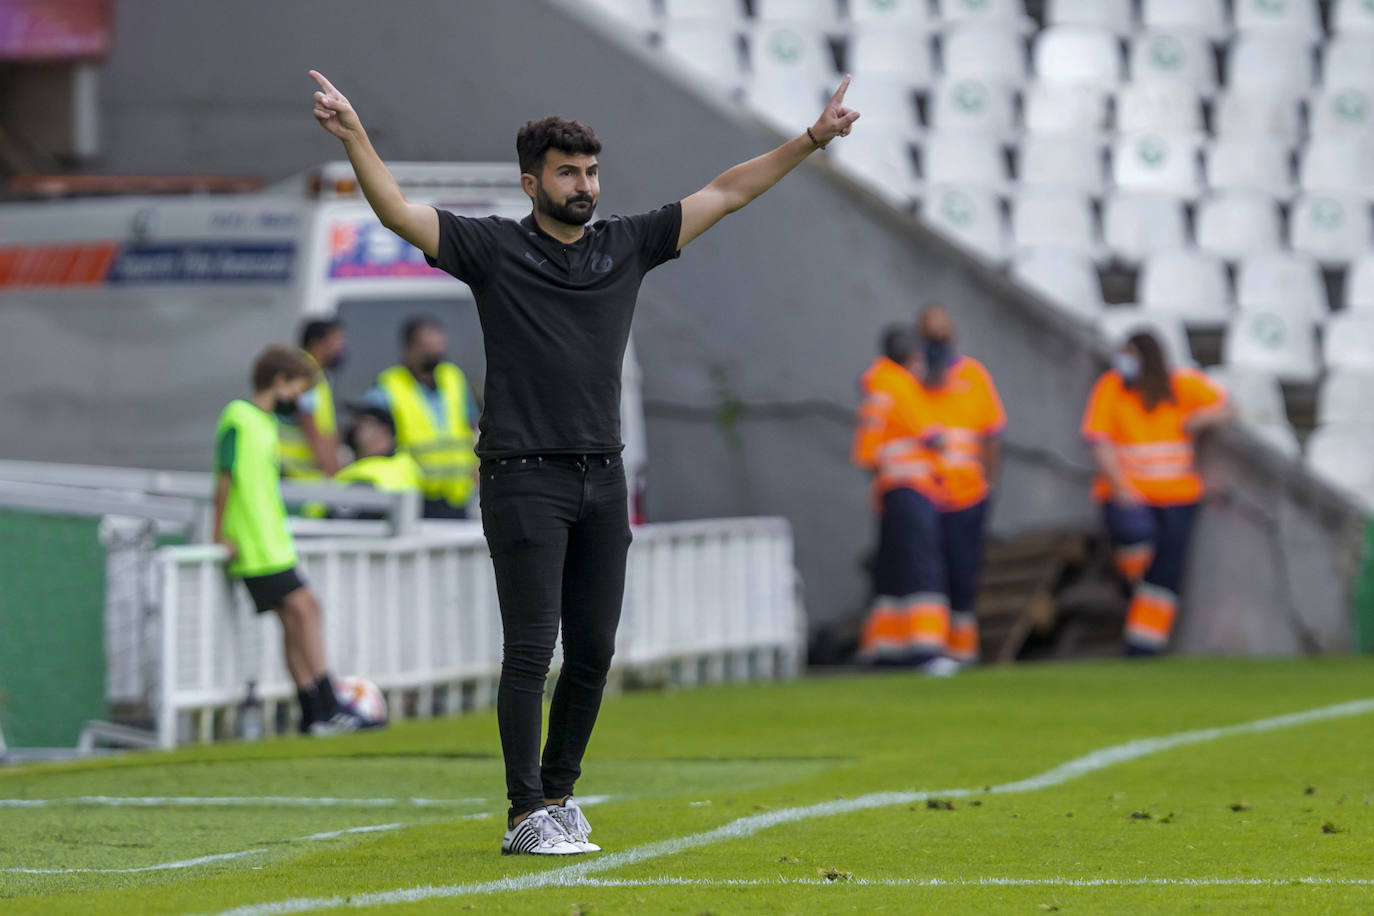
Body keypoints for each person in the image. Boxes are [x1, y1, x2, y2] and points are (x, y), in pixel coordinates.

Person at [309, 67, 859, 855]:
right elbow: (396, 210)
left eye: (592, 171)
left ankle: (560, 795)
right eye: (568, 172)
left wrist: (812, 138)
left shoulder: (626, 245)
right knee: (532, 651)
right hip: (521, 476)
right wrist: (356, 135)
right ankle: (522, 811)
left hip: (601, 477)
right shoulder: (493, 248)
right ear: (531, 182)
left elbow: (728, 192)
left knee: (595, 652)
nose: (585, 184)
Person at [212, 345, 376, 734]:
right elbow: (224, 477)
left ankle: (312, 712)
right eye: (299, 389)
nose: (299, 401)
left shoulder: (265, 423)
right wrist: (219, 534)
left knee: (295, 617)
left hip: (271, 539)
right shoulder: (239, 417)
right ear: (279, 381)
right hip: (253, 543)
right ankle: (328, 703)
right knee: (306, 609)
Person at [1080, 331, 1234, 655]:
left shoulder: (1181, 385)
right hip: (1128, 495)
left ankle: (1143, 646)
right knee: (1139, 550)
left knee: (1165, 576)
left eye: (1130, 355)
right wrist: (1123, 488)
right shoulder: (1111, 387)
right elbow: (1099, 440)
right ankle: (1131, 600)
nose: (1123, 363)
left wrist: (1199, 419)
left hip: (1177, 496)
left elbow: (1228, 407)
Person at [915, 304, 1006, 672]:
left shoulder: (973, 374)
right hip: (926, 493)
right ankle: (932, 650)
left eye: (943, 330)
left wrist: (988, 481)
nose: (938, 337)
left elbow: (992, 433)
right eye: (930, 331)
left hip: (968, 493)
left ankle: (963, 652)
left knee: (963, 571)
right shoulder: (913, 378)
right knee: (929, 573)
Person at [852, 325, 945, 666]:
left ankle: (886, 651)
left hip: (890, 489)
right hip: (912, 489)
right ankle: (926, 650)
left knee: (892, 570)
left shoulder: (877, 385)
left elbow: (867, 452)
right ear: (911, 358)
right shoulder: (899, 384)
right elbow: (933, 436)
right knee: (923, 566)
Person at [364, 316, 479, 519]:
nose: (435, 352)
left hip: (456, 496)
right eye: (427, 346)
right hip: (411, 496)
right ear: (408, 349)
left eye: (438, 345)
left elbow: (472, 427)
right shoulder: (388, 387)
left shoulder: (453, 378)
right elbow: (374, 446)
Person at [279, 319, 346, 480]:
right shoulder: (305, 374)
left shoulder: (316, 374)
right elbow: (312, 428)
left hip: (301, 478)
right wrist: (335, 477)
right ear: (316, 344)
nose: (341, 348)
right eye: (336, 341)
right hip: (296, 477)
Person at [334, 404, 424, 516]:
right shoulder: (405, 463)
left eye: (362, 426)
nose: (355, 434)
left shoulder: (367, 474)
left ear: (383, 431)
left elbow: (343, 518)